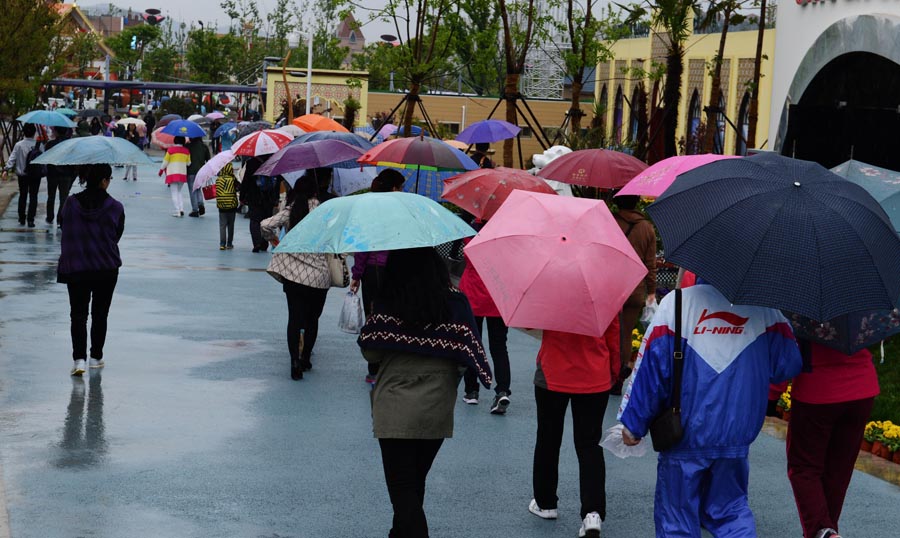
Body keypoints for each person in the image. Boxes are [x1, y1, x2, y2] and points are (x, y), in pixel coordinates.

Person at [619, 279, 802, 538]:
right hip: (736, 434)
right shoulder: (767, 311)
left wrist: (633, 425)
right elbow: (788, 364)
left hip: (684, 433)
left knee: (677, 520)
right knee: (732, 513)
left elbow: (652, 371)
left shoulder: (677, 303)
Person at [358, 247, 492, 538]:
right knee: (415, 483)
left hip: (393, 405)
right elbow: (468, 352)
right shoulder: (456, 304)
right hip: (437, 405)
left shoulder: (387, 301)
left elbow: (371, 351)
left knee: (403, 489)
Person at [528, 319, 619, 538]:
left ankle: (546, 502)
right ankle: (592, 513)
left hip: (553, 370)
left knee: (548, 439)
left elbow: (530, 322)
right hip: (594, 372)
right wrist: (613, 373)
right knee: (590, 445)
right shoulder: (604, 291)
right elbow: (614, 337)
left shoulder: (550, 287)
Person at [786, 341, 879, 538]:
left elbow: (787, 351)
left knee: (804, 467)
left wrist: (773, 392)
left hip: (817, 390)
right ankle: (828, 529)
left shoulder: (806, 312)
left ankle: (823, 531)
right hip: (861, 389)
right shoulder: (860, 311)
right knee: (839, 471)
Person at [57, 164, 125, 376]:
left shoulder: (70, 203)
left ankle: (79, 360)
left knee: (78, 315)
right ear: (104, 181)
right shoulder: (115, 207)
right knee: (100, 314)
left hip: (76, 267)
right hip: (105, 268)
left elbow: (62, 224)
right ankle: (96, 356)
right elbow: (116, 234)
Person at [260, 173, 331, 379]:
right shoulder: (324, 211)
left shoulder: (291, 210)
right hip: (319, 274)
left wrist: (275, 242)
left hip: (293, 273)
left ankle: (294, 361)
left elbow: (265, 224)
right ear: (315, 191)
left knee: (295, 318)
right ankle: (306, 357)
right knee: (312, 319)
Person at [350, 169, 405, 385]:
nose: (403, 191)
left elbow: (362, 246)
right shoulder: (401, 212)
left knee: (373, 317)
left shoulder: (369, 210)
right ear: (393, 188)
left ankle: (373, 367)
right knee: (394, 316)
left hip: (373, 272)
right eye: (401, 187)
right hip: (395, 270)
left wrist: (357, 274)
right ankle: (389, 364)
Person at [459, 218, 512, 414]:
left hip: (472, 294)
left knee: (473, 344)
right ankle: (503, 391)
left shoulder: (470, 229)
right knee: (499, 347)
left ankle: (472, 391)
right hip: (498, 294)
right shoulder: (507, 232)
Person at [612, 194, 658, 394]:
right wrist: (652, 290)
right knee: (626, 333)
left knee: (609, 332)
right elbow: (651, 263)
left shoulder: (610, 223)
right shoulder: (646, 227)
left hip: (610, 286)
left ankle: (607, 373)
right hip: (635, 287)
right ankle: (619, 378)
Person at [1, 123, 42, 227]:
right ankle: (31, 220)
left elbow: (12, 158)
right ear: (34, 133)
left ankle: (22, 218)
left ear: (23, 132)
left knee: (23, 195)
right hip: (35, 175)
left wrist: (6, 169)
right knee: (34, 196)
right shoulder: (39, 145)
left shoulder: (19, 145)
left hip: (22, 175)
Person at [240, 156, 277, 252]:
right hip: (269, 197)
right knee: (266, 220)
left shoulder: (251, 163)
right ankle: (264, 243)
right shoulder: (273, 161)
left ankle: (256, 243)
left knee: (254, 220)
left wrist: (242, 196)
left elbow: (246, 181)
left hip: (254, 196)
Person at [45, 126, 77, 227]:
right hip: (66, 174)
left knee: (51, 196)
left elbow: (46, 159)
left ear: (56, 132)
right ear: (66, 131)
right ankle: (60, 218)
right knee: (63, 198)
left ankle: (50, 217)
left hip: (52, 174)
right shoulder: (71, 145)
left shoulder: (50, 144)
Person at [158, 136, 191, 217]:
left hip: (172, 173)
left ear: (174, 141)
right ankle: (181, 209)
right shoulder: (186, 151)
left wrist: (161, 170)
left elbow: (165, 162)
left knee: (174, 192)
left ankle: (177, 211)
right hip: (182, 173)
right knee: (179, 192)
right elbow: (188, 163)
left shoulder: (170, 150)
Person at [215, 162, 240, 250]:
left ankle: (222, 244)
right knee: (231, 225)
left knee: (222, 225)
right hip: (232, 206)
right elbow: (238, 188)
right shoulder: (232, 179)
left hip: (221, 206)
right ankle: (229, 243)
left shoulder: (218, 180)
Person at [186, 137, 210, 217]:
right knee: (198, 188)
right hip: (201, 171)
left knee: (192, 190)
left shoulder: (187, 146)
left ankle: (195, 209)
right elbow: (208, 160)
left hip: (191, 171)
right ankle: (200, 203)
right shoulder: (204, 147)